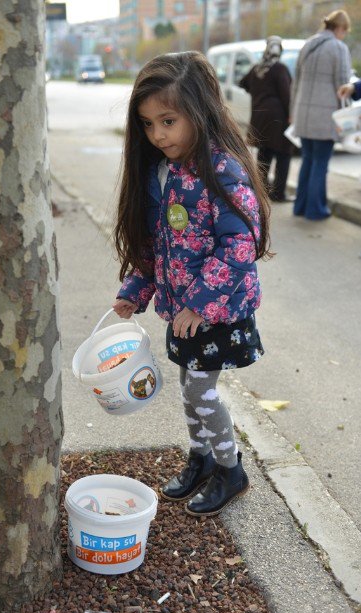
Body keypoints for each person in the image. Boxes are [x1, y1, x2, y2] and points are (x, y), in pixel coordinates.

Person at [112, 51, 271, 517]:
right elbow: (154, 246)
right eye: (147, 124)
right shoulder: (160, 172)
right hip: (184, 314)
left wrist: (201, 303)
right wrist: (134, 292)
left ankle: (231, 469)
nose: (158, 135)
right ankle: (202, 458)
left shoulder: (220, 169)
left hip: (217, 311)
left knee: (201, 390)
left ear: (199, 113)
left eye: (168, 121)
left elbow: (241, 243)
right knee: (189, 388)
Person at [290, 10, 352, 220]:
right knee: (320, 163)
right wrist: (348, 115)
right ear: (340, 28)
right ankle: (315, 210)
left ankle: (300, 206)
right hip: (325, 116)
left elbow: (295, 83)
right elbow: (343, 85)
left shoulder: (307, 44)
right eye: (345, 31)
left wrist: (292, 112)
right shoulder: (338, 47)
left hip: (303, 113)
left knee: (308, 160)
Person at [240, 35, 293, 202]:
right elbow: (286, 95)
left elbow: (242, 83)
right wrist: (291, 113)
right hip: (278, 118)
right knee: (284, 154)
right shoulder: (280, 69)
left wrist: (259, 93)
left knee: (264, 154)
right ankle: (278, 193)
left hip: (259, 115)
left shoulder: (257, 69)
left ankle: (261, 191)